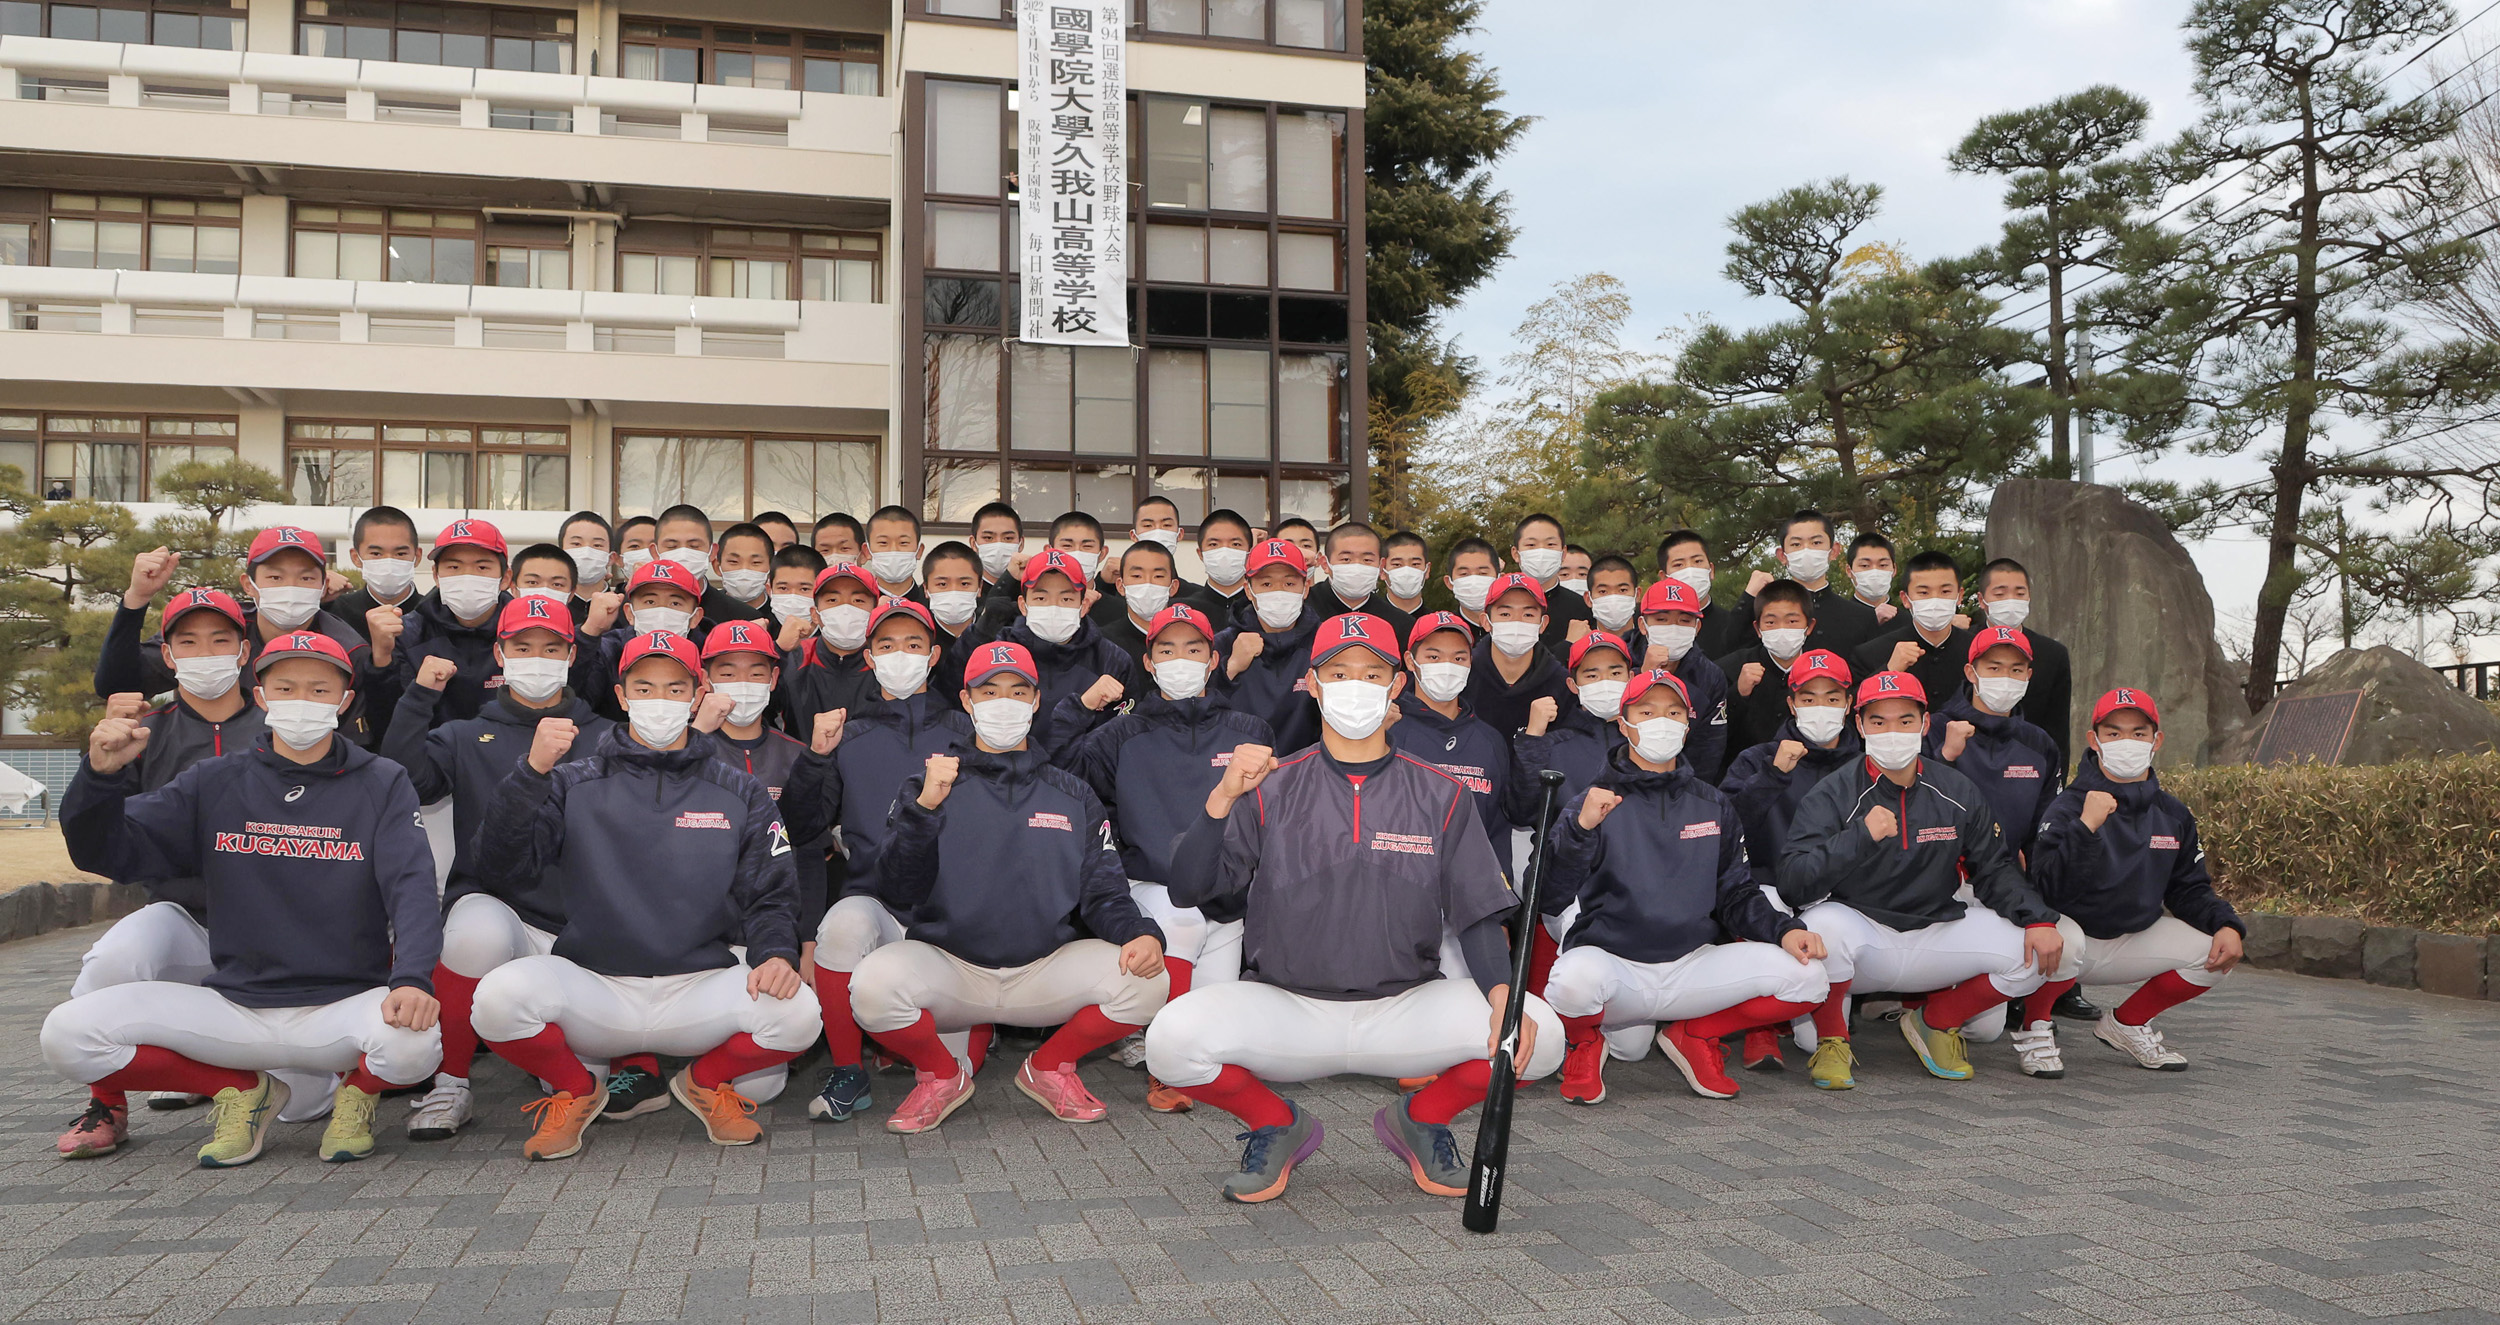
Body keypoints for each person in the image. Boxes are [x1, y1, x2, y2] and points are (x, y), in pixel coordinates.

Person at [1146, 614, 1563, 1204]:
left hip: (1405, 1003)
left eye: (1372, 672)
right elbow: (1192, 890)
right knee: (1170, 1041)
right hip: (1286, 1004)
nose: (1355, 684)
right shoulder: (1267, 785)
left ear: (1397, 684)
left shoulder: (1442, 793)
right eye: (1337, 672)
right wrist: (1219, 801)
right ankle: (1276, 1124)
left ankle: (1422, 1117)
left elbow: (1476, 912)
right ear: (1312, 685)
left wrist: (1501, 996)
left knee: (1538, 1035)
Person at [46, 632, 442, 1167]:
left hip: (339, 1007)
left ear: (344, 701)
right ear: (260, 696)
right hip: (234, 1005)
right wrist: (100, 776)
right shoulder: (215, 779)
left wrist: (412, 978)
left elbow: (412, 885)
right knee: (67, 1034)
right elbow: (110, 852)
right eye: (285, 687)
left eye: (319, 688)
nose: (301, 700)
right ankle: (238, 1088)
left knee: (414, 1045)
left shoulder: (382, 780)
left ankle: (358, 1093)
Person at [469, 630, 813, 1161]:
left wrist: (775, 955)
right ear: (622, 695)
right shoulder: (570, 780)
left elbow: (771, 891)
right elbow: (500, 866)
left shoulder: (737, 789)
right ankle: (577, 1089)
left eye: (675, 689)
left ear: (697, 696)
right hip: (595, 984)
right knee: (496, 999)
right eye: (645, 688)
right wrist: (531, 772)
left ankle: (702, 1082)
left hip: (696, 982)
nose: (660, 702)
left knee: (798, 1013)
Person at [850, 640, 1169, 1133]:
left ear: (1036, 701)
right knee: (871, 986)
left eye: (1018, 691)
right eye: (990, 691)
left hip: (1040, 970)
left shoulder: (1071, 793)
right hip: (951, 968)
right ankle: (940, 1076)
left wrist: (1141, 932)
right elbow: (895, 887)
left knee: (1148, 979)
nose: (1005, 702)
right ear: (966, 700)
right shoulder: (932, 784)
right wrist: (924, 811)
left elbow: (1104, 890)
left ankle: (1048, 1067)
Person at [381, 596, 619, 1141]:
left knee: (590, 1070)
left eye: (552, 647)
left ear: (570, 654)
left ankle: (572, 1070)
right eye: (522, 647)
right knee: (471, 931)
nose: (537, 658)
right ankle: (451, 1084)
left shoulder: (608, 734)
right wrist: (420, 697)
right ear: (500, 653)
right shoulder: (465, 734)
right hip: (501, 906)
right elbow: (404, 780)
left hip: (583, 925)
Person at [49, 588, 274, 1158]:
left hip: (274, 931)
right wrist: (99, 773)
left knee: (309, 1103)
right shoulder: (144, 730)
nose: (206, 652)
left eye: (220, 640)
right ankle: (108, 1101)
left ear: (244, 649)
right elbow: (98, 847)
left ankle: (243, 1077)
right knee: (111, 963)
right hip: (184, 914)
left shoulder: (284, 723)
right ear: (168, 656)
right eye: (188, 642)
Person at [1542, 669, 1831, 1104]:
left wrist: (1784, 930)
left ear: (1688, 722)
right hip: (1616, 966)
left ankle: (1694, 1035)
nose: (1662, 721)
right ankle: (1585, 1043)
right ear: (1623, 722)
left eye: (1674, 711)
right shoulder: (1591, 801)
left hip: (1692, 964)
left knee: (1808, 979)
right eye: (1647, 711)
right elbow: (1547, 896)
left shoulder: (1712, 803)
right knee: (1572, 983)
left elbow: (1736, 891)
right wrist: (1580, 831)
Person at [1777, 671, 2062, 1091]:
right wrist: (1858, 837)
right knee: (1820, 925)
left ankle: (1934, 1022)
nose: (1893, 732)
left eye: (1905, 721)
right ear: (1859, 726)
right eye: (1878, 722)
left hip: (1935, 929)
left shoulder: (1956, 789)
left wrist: (2038, 919)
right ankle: (1832, 1040)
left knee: (2040, 948)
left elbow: (1995, 869)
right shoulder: (1833, 792)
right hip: (1864, 938)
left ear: (1925, 724)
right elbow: (1793, 885)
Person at [1053, 603, 1274, 1115]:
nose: (1181, 659)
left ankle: (1189, 1060)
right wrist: (1079, 710)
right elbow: (1060, 775)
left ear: (1212, 659)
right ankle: (1163, 1070)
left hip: (1228, 893)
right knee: (1182, 916)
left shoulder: (1250, 728)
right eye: (1167, 650)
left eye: (1193, 649)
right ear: (1148, 663)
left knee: (1213, 1010)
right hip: (1152, 887)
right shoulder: (1118, 734)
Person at [805, 598, 976, 1124]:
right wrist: (815, 756)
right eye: (886, 645)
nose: (900, 654)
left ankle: (908, 1044)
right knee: (840, 926)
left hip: (952, 911)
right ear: (869, 656)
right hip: (875, 897)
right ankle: (848, 1071)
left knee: (964, 1064)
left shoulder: (967, 727)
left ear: (933, 653)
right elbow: (805, 824)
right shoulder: (847, 732)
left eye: (913, 644)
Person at [2020, 689, 2244, 1076]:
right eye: (2114, 733)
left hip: (2132, 938)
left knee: (2213, 952)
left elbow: (2188, 888)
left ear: (2156, 741)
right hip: (2072, 944)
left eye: (2139, 733)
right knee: (2060, 936)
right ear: (2094, 740)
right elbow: (2048, 889)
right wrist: (2086, 827)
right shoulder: (2068, 806)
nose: (2127, 743)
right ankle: (2035, 1028)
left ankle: (2126, 1024)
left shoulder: (2173, 814)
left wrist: (2225, 923)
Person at [1717, 648, 1860, 1071]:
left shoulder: (1868, 762)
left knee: (1811, 1026)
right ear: (1792, 702)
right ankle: (1761, 1029)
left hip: (1836, 895)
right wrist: (1772, 777)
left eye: (1832, 698)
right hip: (1771, 885)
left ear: (1849, 703)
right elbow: (1726, 832)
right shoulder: (1757, 757)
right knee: (1766, 913)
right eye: (1809, 698)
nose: (1821, 708)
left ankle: (1823, 1025)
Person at [100, 529, 378, 746]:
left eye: (305, 578)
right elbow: (119, 684)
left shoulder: (349, 649)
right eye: (275, 577)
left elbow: (356, 743)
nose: (290, 588)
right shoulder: (222, 627)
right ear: (249, 584)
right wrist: (136, 599)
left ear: (322, 584)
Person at [1394, 612, 1528, 876]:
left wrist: (1500, 907)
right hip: (1403, 892)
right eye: (1433, 657)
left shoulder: (1489, 740)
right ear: (1411, 661)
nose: (1447, 665)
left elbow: (1497, 830)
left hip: (1474, 899)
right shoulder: (1390, 731)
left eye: (1458, 658)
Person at [977, 549, 1141, 748]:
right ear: (1023, 605)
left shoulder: (1112, 660)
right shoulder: (998, 656)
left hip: (1086, 775)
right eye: (1041, 598)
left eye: (1066, 599)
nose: (1053, 608)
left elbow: (1119, 741)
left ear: (1083, 605)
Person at [1926, 627, 2064, 864]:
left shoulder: (2039, 744)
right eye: (1994, 668)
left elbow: (2045, 823)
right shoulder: (1934, 730)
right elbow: (1916, 809)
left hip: (2009, 880)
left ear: (2028, 675)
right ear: (1971, 672)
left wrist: (2032, 872)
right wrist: (1945, 757)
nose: (2005, 678)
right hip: (1942, 877)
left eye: (2016, 670)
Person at [371, 519, 513, 729]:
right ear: (436, 575)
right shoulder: (409, 633)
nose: (467, 577)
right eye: (454, 567)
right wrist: (381, 657)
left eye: (482, 567)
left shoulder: (525, 633)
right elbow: (387, 721)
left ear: (505, 578)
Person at [1218, 539, 1325, 752]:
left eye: (1289, 583)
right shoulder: (1223, 643)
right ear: (1248, 591)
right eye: (1266, 584)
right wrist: (1229, 669)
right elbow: (1196, 714)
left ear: (1305, 588)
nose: (1279, 592)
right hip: (1237, 772)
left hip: (1307, 774)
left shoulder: (1324, 642)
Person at [1973, 558, 2075, 769]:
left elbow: (2058, 730)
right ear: (1982, 600)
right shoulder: (1964, 644)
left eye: (2020, 594)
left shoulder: (2052, 654)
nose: (2010, 601)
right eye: (2000, 594)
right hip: (1970, 763)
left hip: (2030, 767)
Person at [1630, 577, 1730, 782]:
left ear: (1697, 627)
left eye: (1684, 621)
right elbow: (1608, 730)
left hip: (1682, 787)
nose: (1673, 628)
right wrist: (1644, 677)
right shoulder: (1619, 660)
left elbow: (1709, 751)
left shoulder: (1710, 677)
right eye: (1661, 619)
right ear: (1643, 624)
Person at [1851, 551, 1976, 709]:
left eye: (1945, 592)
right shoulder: (1871, 653)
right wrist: (1889, 670)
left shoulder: (1977, 652)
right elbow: (1849, 709)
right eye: (1923, 592)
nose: (1934, 599)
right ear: (1905, 599)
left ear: (1959, 596)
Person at [1751, 510, 1880, 657]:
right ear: (1782, 555)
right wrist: (1747, 597)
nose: (1806, 550)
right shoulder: (1763, 614)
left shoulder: (1863, 617)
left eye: (1816, 542)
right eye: (1796, 544)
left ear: (1834, 551)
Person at [1464, 572, 1571, 743]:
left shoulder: (1562, 684)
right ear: (1486, 622)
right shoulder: (1462, 677)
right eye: (1505, 614)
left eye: (1528, 615)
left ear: (1542, 624)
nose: (1516, 622)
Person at [1717, 580, 1819, 759]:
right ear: (1758, 628)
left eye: (1792, 621)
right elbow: (1713, 734)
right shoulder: (1730, 668)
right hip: (1744, 774)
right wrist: (1737, 694)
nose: (1782, 629)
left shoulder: (1823, 671)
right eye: (1771, 622)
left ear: (1809, 626)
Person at [777, 562, 878, 738]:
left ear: (875, 612)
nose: (846, 609)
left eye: (858, 601)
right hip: (803, 763)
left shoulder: (888, 662)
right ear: (815, 614)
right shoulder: (794, 659)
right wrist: (778, 651)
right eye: (833, 600)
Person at [1657, 530, 1749, 662]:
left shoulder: (1730, 626)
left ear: (1711, 570)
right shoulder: (1652, 627)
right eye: (1678, 565)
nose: (1690, 570)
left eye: (1698, 561)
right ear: (1664, 577)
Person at [1512, 513, 1591, 658]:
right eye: (1531, 545)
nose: (1541, 552)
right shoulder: (1502, 606)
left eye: (1550, 545)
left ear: (1563, 553)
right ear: (1516, 554)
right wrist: (1567, 646)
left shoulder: (1581, 608)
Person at [332, 506, 422, 632]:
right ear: (356, 557)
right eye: (376, 554)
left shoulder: (436, 613)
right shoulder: (334, 614)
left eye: (400, 554)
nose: (389, 562)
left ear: (417, 556)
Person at [1097, 539, 1182, 658]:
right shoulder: (1102, 642)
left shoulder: (1189, 640)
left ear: (1173, 587)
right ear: (1121, 586)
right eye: (1137, 576)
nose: (1148, 583)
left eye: (1158, 576)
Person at [1317, 521, 1399, 636]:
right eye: (1346, 559)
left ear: (1381, 566)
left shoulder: (1398, 622)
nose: (1357, 566)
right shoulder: (1303, 611)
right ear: (1325, 564)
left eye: (1367, 560)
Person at [1180, 507, 1256, 618]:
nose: (1224, 553)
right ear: (1200, 554)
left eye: (1235, 544)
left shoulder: (1264, 609)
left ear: (1249, 552)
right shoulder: (1184, 610)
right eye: (1214, 544)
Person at [967, 500, 1026, 632]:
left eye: (1008, 538)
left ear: (1021, 543)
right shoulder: (963, 588)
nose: (998, 545)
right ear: (973, 543)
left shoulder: (1032, 589)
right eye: (988, 538)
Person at [707, 521, 777, 625]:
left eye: (755, 562)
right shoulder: (705, 614)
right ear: (717, 567)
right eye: (734, 562)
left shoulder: (780, 616)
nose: (744, 570)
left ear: (771, 567)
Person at [559, 511, 616, 622]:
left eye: (597, 545)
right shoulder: (548, 607)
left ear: (610, 558)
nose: (586, 553)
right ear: (560, 554)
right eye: (576, 544)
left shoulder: (623, 608)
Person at [766, 544, 829, 644]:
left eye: (804, 589)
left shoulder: (835, 638)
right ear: (770, 591)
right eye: (783, 588)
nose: (793, 597)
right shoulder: (761, 633)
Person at [864, 505, 925, 601]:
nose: (894, 550)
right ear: (867, 551)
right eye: (883, 543)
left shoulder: (934, 608)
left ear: (919, 551)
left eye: (903, 542)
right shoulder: (859, 607)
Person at [1379, 530, 1432, 627]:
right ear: (1382, 570)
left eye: (1415, 564)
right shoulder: (1368, 623)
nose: (1406, 571)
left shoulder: (1437, 625)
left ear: (1427, 570)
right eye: (1397, 564)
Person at [1584, 555, 1640, 643]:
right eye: (1603, 591)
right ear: (1588, 599)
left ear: (1637, 595)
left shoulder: (1650, 643)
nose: (1613, 598)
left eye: (1622, 590)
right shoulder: (1578, 645)